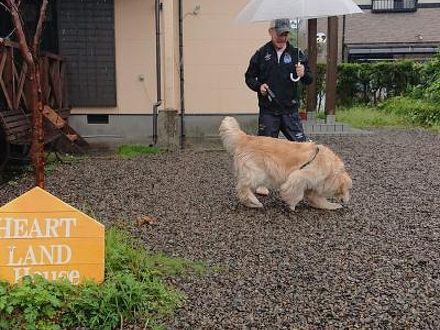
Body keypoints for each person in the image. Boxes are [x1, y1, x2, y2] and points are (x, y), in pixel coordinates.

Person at [245, 18, 313, 142]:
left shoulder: (296, 54)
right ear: (271, 32)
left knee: (302, 148)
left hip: (290, 111)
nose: (282, 38)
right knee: (266, 150)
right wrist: (259, 86)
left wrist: (303, 74)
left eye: (285, 34)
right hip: (268, 112)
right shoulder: (261, 54)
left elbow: (309, 80)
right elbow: (249, 77)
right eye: (279, 34)